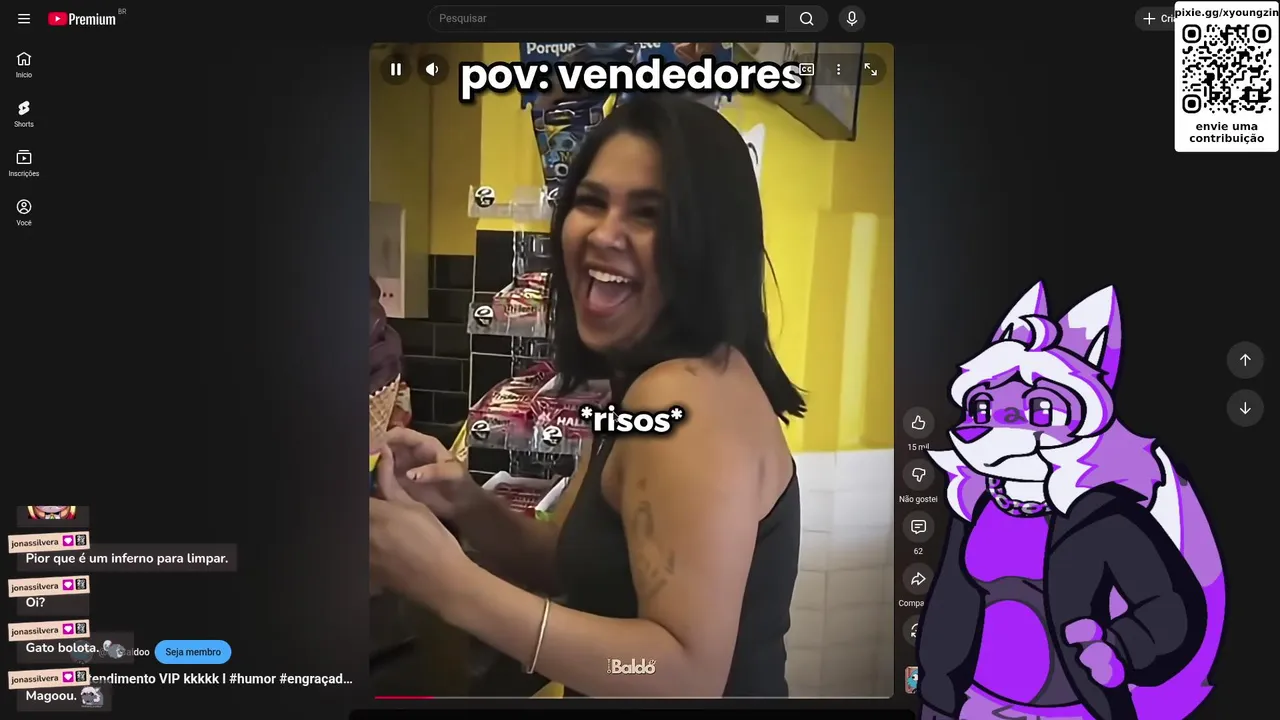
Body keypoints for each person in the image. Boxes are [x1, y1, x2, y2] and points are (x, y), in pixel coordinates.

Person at [369, 95, 805, 697]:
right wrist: (465, 502)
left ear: (708, 246)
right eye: (592, 201)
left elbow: (684, 677)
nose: (604, 233)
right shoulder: (647, 381)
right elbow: (570, 563)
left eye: (649, 214)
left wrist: (451, 586)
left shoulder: (685, 400)